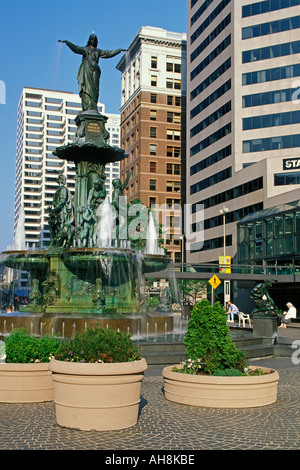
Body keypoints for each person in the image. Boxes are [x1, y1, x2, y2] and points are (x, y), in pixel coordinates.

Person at [59, 34, 126, 112]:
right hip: (86, 70)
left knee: (95, 89)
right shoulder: (85, 49)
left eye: (95, 39)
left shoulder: (98, 51)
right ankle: (86, 107)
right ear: (89, 41)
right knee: (86, 88)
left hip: (95, 71)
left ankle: (94, 107)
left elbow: (108, 54)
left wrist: (119, 50)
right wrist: (68, 43)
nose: (93, 41)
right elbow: (76, 49)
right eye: (92, 39)